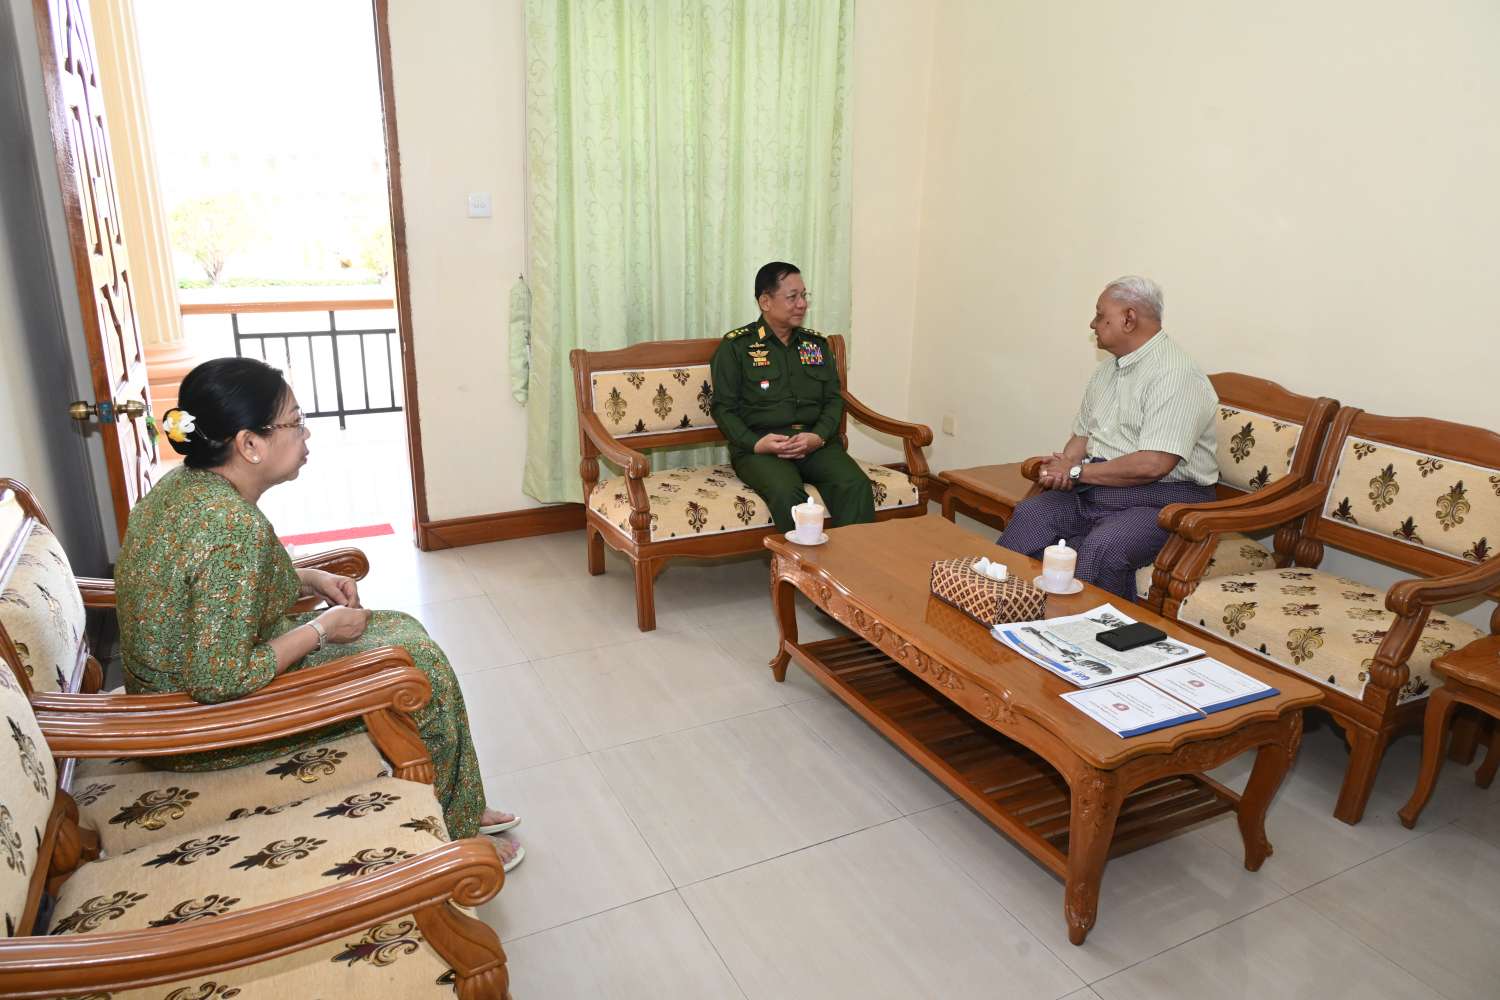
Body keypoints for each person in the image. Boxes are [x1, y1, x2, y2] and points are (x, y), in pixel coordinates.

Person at [115, 358, 522, 868]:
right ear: (250, 444)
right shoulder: (229, 527)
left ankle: (461, 802)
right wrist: (321, 628)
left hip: (170, 699)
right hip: (200, 728)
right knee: (418, 666)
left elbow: (217, 591)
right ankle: (457, 836)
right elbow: (218, 679)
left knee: (404, 631)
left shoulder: (186, 486)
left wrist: (307, 578)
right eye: (295, 421)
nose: (307, 434)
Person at [997, 276, 1219, 600]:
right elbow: (1082, 436)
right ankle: (1005, 607)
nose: (1093, 324)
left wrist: (1077, 472)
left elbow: (1154, 464)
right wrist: (1064, 466)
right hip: (1100, 487)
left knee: (1103, 547)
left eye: (1101, 316)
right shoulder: (1106, 371)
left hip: (1162, 501)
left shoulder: (1176, 375)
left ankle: (1078, 628)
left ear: (1129, 319)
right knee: (1032, 515)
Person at [709, 261, 875, 532]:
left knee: (854, 484)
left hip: (814, 444)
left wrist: (819, 436)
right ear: (765, 301)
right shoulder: (737, 347)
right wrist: (755, 444)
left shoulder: (815, 345)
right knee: (787, 493)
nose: (802, 304)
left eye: (804, 296)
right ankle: (801, 560)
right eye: (792, 297)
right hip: (762, 448)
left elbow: (834, 399)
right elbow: (723, 408)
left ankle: (850, 558)